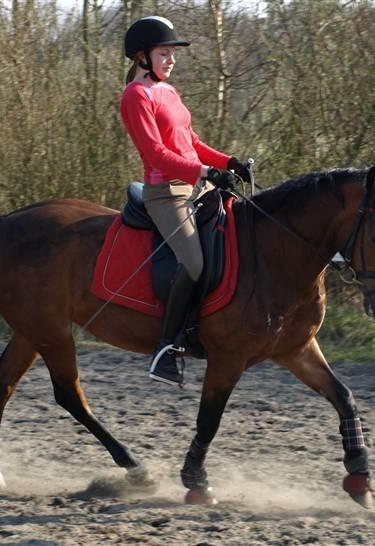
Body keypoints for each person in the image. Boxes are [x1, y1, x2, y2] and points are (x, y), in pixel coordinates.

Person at [120, 16, 250, 387]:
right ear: (142, 56)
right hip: (166, 193)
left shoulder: (168, 91)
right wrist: (206, 173)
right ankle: (166, 348)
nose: (171, 59)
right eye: (165, 53)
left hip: (198, 185)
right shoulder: (136, 96)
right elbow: (157, 153)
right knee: (193, 262)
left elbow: (191, 141)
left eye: (172, 53)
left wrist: (228, 163)